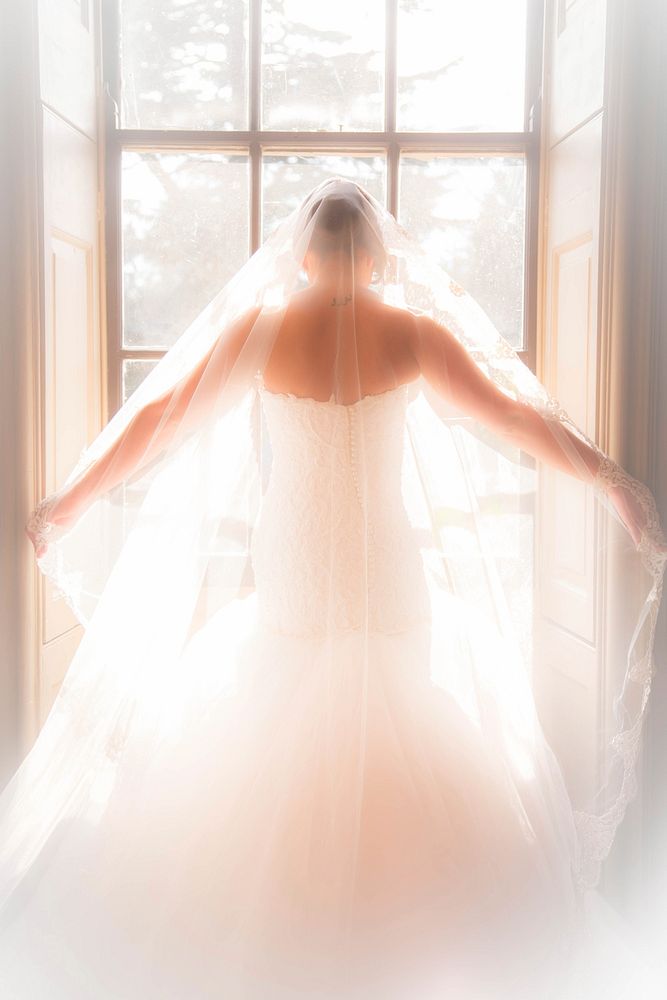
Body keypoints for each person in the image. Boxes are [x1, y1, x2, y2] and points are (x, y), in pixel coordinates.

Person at [2, 178, 665, 998]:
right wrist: (608, 479)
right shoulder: (414, 334)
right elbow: (511, 418)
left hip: (297, 570)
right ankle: (395, 946)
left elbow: (159, 419)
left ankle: (292, 947)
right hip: (383, 573)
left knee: (275, 727)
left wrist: (69, 503)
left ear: (304, 252)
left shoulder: (264, 329)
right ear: (378, 253)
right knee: (406, 736)